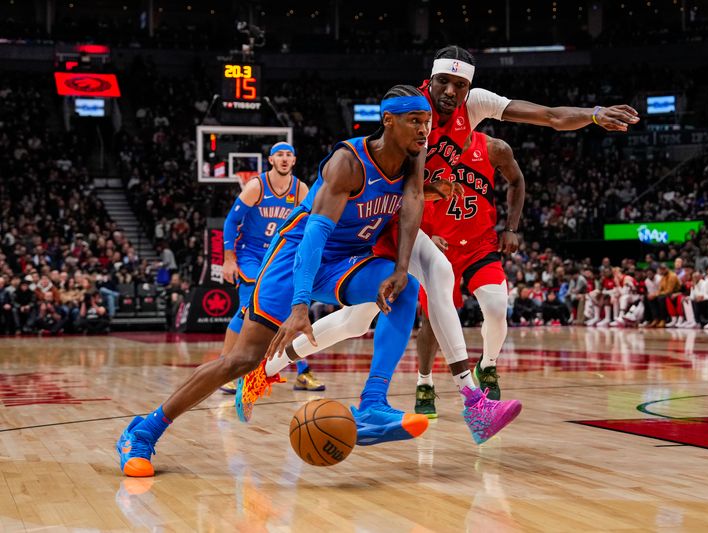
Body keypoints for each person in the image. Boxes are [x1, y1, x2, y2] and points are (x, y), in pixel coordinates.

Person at [259, 45, 637, 427]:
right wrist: (412, 246)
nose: (451, 92)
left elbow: (551, 116)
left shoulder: (474, 104)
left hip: (400, 210)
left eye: (460, 85)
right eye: (444, 82)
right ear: (430, 80)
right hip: (383, 213)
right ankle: (472, 400)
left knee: (356, 321)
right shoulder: (414, 108)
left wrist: (593, 114)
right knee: (436, 275)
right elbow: (410, 190)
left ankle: (267, 368)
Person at [116, 85, 435, 477]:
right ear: (388, 120)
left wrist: (401, 268)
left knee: (406, 291)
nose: (424, 129)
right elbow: (314, 236)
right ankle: (143, 433)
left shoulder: (414, 157)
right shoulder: (347, 162)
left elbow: (412, 207)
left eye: (427, 121)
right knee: (242, 359)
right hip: (294, 256)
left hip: (346, 261)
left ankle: (372, 404)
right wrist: (301, 304)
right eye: (415, 121)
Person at [413, 130, 525, 414]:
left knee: (498, 306)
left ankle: (487, 365)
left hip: (480, 244)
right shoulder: (424, 149)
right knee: (432, 321)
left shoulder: (493, 147)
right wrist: (423, 236)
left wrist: (511, 228)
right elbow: (408, 195)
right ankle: (424, 382)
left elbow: (517, 181)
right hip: (439, 245)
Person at [218, 142, 325, 393]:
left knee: (290, 310)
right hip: (250, 255)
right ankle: (225, 368)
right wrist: (228, 258)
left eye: (289, 154)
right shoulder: (257, 186)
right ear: (271, 160)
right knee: (250, 309)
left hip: (279, 255)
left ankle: (302, 372)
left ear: (294, 161)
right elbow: (232, 221)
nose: (284, 158)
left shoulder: (301, 189)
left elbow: (309, 225)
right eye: (280, 155)